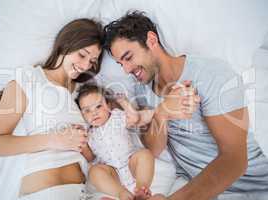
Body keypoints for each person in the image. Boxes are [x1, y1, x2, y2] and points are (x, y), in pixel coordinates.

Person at [103, 11, 268, 200]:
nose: (126, 69)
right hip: (195, 188)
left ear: (151, 40)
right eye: (120, 64)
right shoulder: (142, 89)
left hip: (253, 187)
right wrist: (161, 113)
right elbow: (153, 149)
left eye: (128, 57)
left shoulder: (211, 74)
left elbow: (235, 160)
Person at [0, 18, 104, 200]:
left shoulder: (81, 95)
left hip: (85, 192)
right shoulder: (30, 78)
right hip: (48, 193)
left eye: (92, 61)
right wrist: (52, 140)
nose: (85, 66)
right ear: (66, 44)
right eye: (82, 55)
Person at [75, 83, 156, 200]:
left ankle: (141, 189)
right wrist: (82, 144)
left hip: (131, 163)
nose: (94, 113)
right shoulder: (89, 133)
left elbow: (134, 119)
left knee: (145, 154)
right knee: (94, 171)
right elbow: (90, 158)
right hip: (112, 173)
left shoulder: (116, 117)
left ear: (108, 106)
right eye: (87, 111)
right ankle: (122, 193)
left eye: (98, 106)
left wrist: (125, 103)